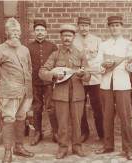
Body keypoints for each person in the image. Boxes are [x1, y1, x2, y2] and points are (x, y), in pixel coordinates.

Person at [38, 24, 91, 159]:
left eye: (70, 35)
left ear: (74, 37)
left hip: (78, 94)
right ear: (61, 37)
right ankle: (62, 148)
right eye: (65, 35)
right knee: (62, 124)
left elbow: (88, 76)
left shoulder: (80, 54)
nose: (67, 38)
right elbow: (42, 72)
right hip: (61, 95)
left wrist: (83, 74)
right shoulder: (55, 54)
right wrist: (54, 75)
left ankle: (77, 147)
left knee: (77, 123)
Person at [0, 18, 34, 163]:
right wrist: (5, 84)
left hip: (26, 92)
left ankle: (19, 147)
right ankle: (8, 151)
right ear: (6, 32)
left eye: (17, 31)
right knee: (9, 119)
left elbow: (29, 69)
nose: (15, 33)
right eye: (12, 31)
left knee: (21, 118)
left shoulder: (24, 50)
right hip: (9, 93)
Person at [95, 16, 132, 160]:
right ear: (109, 27)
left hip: (122, 84)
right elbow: (97, 64)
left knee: (125, 117)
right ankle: (108, 145)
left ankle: (128, 148)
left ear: (121, 27)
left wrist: (130, 62)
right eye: (112, 25)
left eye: (117, 25)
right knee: (107, 116)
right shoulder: (104, 45)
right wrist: (103, 65)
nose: (115, 28)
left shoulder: (128, 44)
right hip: (106, 84)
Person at [27, 20, 59, 146]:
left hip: (49, 82)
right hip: (35, 82)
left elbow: (56, 64)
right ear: (34, 32)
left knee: (51, 107)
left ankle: (55, 133)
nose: (40, 32)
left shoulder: (52, 46)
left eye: (42, 30)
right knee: (37, 108)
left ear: (46, 32)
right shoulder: (28, 47)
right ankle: (38, 133)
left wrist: (54, 78)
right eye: (37, 30)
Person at [73, 17, 104, 142]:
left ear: (89, 26)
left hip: (95, 79)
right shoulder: (74, 41)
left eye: (86, 25)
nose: (84, 28)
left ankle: (102, 133)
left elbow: (101, 59)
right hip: (80, 79)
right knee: (80, 106)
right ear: (78, 27)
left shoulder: (97, 40)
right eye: (81, 25)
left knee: (98, 106)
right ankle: (84, 132)